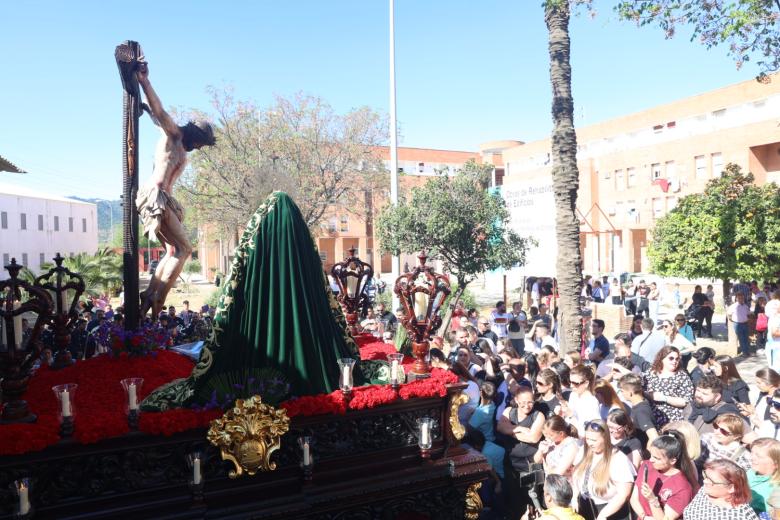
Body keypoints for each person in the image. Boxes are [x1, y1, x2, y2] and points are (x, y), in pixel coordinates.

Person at [135, 61, 216, 319]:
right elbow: (159, 111)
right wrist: (144, 81)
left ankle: (151, 295)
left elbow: (153, 115)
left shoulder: (181, 144)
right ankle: (157, 298)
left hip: (166, 198)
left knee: (172, 250)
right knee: (184, 249)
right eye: (201, 143)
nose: (200, 148)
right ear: (194, 134)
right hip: (155, 196)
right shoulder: (175, 135)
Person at [571, 420, 635, 520]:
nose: (590, 443)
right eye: (587, 439)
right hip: (585, 507)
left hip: (611, 512)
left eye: (594, 440)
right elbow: (575, 476)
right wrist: (574, 497)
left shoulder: (619, 459)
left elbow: (624, 494)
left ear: (605, 438)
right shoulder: (584, 451)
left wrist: (603, 515)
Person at [497, 386, 544, 519]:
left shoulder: (538, 415)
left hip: (530, 466)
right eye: (523, 402)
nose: (527, 405)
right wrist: (521, 429)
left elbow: (534, 437)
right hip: (511, 465)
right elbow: (500, 427)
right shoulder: (509, 411)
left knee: (532, 499)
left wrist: (511, 431)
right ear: (516, 400)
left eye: (530, 402)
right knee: (514, 500)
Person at [630, 431, 697, 520]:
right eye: (651, 455)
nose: (651, 460)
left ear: (672, 460)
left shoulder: (682, 488)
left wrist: (652, 500)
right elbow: (633, 498)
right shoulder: (647, 465)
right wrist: (644, 517)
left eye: (657, 458)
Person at [682, 459, 759, 520]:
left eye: (711, 480)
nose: (705, 481)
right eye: (705, 475)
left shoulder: (742, 516)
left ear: (732, 488)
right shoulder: (705, 491)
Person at [643, 346, 693, 428]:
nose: (674, 361)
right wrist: (648, 395)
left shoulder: (682, 376)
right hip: (651, 418)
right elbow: (640, 390)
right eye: (671, 358)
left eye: (677, 359)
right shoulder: (650, 373)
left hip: (671, 421)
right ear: (662, 358)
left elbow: (686, 401)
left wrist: (664, 398)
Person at [619, 373, 659, 447]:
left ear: (630, 393)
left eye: (622, 391)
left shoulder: (641, 411)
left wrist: (647, 454)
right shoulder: (641, 402)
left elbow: (654, 437)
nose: (621, 394)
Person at [738, 368, 780, 436]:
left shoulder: (776, 400)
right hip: (757, 432)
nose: (757, 385)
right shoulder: (763, 394)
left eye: (759, 383)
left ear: (770, 384)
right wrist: (748, 411)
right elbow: (758, 413)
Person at [560, 365, 601, 434]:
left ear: (586, 383)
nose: (571, 386)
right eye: (570, 382)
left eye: (575, 383)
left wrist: (571, 415)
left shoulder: (591, 403)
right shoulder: (573, 395)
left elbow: (590, 431)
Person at [747, 437, 780, 515]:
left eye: (758, 456)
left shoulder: (776, 491)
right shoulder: (750, 472)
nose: (751, 458)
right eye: (752, 453)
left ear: (775, 464)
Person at [727, 292, 752, 357]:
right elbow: (729, 314)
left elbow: (748, 314)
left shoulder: (745, 306)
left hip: (745, 323)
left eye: (742, 297)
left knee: (746, 338)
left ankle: (747, 352)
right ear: (736, 298)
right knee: (741, 339)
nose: (741, 299)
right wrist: (732, 320)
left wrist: (748, 319)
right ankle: (744, 352)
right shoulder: (733, 306)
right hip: (738, 324)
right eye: (739, 298)